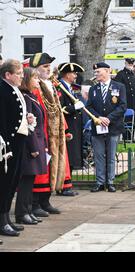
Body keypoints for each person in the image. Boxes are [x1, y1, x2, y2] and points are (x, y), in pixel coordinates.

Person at [30, 53, 65, 217]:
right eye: (45, 66)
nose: (48, 69)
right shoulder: (35, 88)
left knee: (52, 166)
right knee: (40, 170)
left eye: (49, 66)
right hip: (42, 132)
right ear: (36, 69)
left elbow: (58, 110)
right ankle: (35, 203)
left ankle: (46, 200)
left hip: (55, 132)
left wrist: (64, 129)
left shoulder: (51, 84)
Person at [86, 62, 127, 193]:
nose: (96, 74)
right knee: (99, 156)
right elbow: (89, 107)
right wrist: (99, 118)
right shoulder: (94, 89)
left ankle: (110, 182)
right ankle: (100, 182)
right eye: (95, 72)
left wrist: (109, 118)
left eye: (98, 71)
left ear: (107, 71)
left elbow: (122, 106)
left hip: (113, 126)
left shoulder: (119, 87)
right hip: (98, 126)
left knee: (110, 155)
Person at [15, 67, 47, 225]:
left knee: (31, 180)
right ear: (27, 80)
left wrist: (44, 145)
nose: (38, 81)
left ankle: (27, 210)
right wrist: (34, 147)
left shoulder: (31, 97)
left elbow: (40, 124)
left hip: (38, 143)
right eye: (35, 78)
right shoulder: (26, 98)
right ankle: (22, 213)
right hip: (30, 147)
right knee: (26, 181)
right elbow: (29, 126)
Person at [0, 59, 28, 237]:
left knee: (12, 182)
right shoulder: (2, 90)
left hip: (18, 140)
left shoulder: (13, 88)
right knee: (4, 183)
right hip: (7, 143)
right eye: (19, 74)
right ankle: (2, 222)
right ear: (7, 75)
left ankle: (6, 218)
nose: (21, 77)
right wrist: (6, 145)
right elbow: (2, 120)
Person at [57, 62, 85, 196]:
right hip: (67, 126)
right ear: (67, 74)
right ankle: (64, 186)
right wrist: (75, 108)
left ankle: (68, 184)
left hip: (74, 126)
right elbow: (61, 109)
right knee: (67, 156)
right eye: (73, 73)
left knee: (72, 157)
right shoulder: (60, 87)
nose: (75, 76)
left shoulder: (69, 87)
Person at [114, 58, 135, 142]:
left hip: (133, 101)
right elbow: (117, 88)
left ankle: (131, 138)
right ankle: (126, 138)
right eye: (129, 64)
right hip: (125, 100)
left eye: (132, 64)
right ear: (125, 63)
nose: (130, 66)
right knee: (125, 120)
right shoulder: (121, 74)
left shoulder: (134, 74)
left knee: (133, 121)